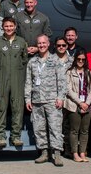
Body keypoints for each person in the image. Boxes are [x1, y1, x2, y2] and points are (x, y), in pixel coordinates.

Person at [25, 34, 64, 166]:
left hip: (52, 100)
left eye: (43, 43)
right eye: (39, 44)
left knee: (55, 127)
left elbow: (62, 81)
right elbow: (28, 82)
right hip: (37, 100)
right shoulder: (32, 62)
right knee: (39, 128)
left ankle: (57, 153)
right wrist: (27, 99)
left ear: (48, 44)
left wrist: (60, 97)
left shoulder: (56, 60)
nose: (41, 46)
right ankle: (44, 152)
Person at [0, 16, 28, 148]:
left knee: (17, 107)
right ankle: (0, 135)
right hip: (1, 78)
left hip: (17, 78)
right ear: (2, 27)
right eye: (6, 26)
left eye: (11, 26)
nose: (9, 28)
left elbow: (24, 61)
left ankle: (16, 136)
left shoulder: (22, 42)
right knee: (1, 106)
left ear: (15, 27)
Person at [64, 51, 91, 162]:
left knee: (85, 130)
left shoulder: (89, 72)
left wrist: (87, 103)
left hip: (87, 105)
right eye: (79, 59)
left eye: (83, 59)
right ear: (75, 60)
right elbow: (68, 89)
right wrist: (80, 103)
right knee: (74, 130)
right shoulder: (70, 72)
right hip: (74, 104)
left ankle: (82, 152)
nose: (81, 61)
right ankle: (75, 153)